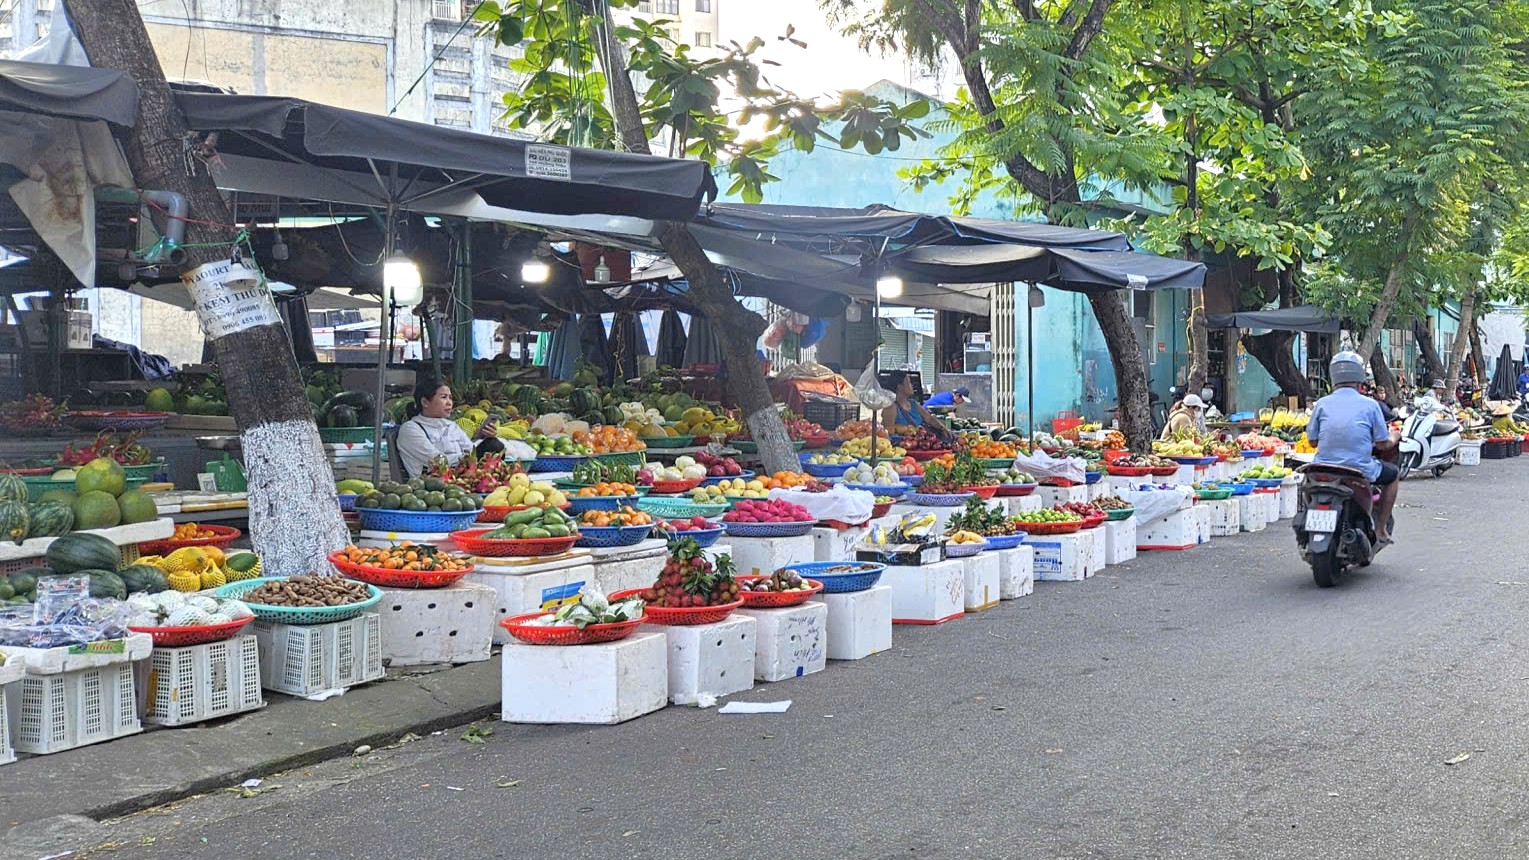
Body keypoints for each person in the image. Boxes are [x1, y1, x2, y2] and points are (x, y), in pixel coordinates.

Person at [1309, 351, 1400, 543]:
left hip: (1321, 468)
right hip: (1357, 469)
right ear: (1360, 377)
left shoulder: (1322, 404)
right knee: (1392, 475)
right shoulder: (1371, 405)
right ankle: (1382, 528)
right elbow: (1383, 444)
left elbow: (1312, 442)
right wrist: (1394, 437)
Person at [395, 377, 502, 479]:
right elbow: (437, 461)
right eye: (443, 397)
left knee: (494, 445)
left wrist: (483, 439)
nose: (449, 402)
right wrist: (471, 456)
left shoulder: (451, 425)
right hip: (432, 485)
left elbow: (470, 450)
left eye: (450, 397)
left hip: (462, 477)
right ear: (425, 402)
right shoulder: (411, 429)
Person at [881, 370, 952, 439]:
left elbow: (929, 418)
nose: (912, 385)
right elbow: (889, 431)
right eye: (908, 382)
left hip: (919, 444)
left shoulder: (914, 404)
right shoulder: (891, 407)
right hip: (902, 447)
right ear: (900, 387)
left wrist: (943, 428)